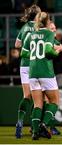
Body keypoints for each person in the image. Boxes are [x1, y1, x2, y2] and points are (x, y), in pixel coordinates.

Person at [22, 11, 62, 140]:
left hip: (33, 72)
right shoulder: (49, 34)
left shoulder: (31, 34)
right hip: (46, 71)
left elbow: (23, 52)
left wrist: (35, 56)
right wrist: (54, 54)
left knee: (38, 104)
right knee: (54, 101)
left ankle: (35, 132)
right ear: (48, 22)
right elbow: (49, 50)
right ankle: (44, 124)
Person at [14, 4, 41, 139]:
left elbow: (17, 45)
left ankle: (20, 121)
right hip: (36, 64)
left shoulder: (24, 27)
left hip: (24, 65)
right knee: (39, 98)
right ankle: (33, 125)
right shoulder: (40, 27)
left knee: (27, 96)